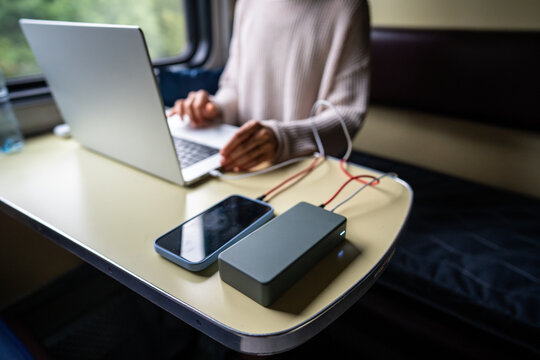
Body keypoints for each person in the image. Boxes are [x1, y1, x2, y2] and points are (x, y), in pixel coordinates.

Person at [169, 0, 370, 172]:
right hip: (243, 164)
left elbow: (348, 115)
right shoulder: (247, 3)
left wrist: (283, 139)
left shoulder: (347, 7)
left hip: (305, 167)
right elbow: (233, 86)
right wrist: (215, 109)